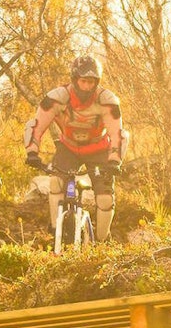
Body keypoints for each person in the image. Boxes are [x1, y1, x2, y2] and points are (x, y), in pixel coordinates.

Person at [24, 55, 125, 241]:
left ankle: (102, 242)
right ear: (74, 79)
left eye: (91, 82)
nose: (87, 86)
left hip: (99, 150)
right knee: (56, 183)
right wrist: (32, 152)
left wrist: (114, 161)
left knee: (105, 199)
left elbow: (117, 133)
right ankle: (56, 231)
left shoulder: (107, 101)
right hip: (68, 148)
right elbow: (37, 125)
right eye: (84, 81)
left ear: (97, 82)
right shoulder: (57, 98)